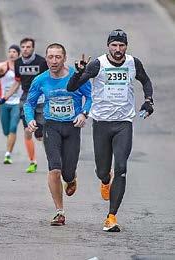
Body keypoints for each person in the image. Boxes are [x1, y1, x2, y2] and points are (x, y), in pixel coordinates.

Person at [67, 29, 154, 232]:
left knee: (122, 169)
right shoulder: (98, 64)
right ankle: (106, 180)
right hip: (102, 123)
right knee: (103, 171)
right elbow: (72, 87)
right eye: (114, 45)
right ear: (108, 46)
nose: (118, 49)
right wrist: (79, 72)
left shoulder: (133, 63)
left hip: (124, 123)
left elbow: (146, 81)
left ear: (126, 46)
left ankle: (111, 217)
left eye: (121, 45)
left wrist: (148, 101)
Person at [24, 43, 92, 226]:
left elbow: (90, 97)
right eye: (50, 57)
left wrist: (83, 113)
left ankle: (71, 178)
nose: (54, 61)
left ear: (64, 58)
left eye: (57, 57)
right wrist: (30, 119)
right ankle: (59, 212)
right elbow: (28, 103)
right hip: (51, 126)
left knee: (67, 172)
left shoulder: (75, 77)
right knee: (54, 168)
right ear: (46, 59)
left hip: (72, 127)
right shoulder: (40, 80)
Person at [0, 37, 48, 173]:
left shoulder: (42, 62)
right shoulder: (18, 63)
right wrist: (5, 97)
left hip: (41, 98)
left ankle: (54, 160)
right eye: (23, 47)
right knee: (27, 131)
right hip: (26, 98)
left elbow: (48, 79)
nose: (25, 49)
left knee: (41, 135)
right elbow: (17, 82)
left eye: (28, 47)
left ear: (33, 48)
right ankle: (33, 162)